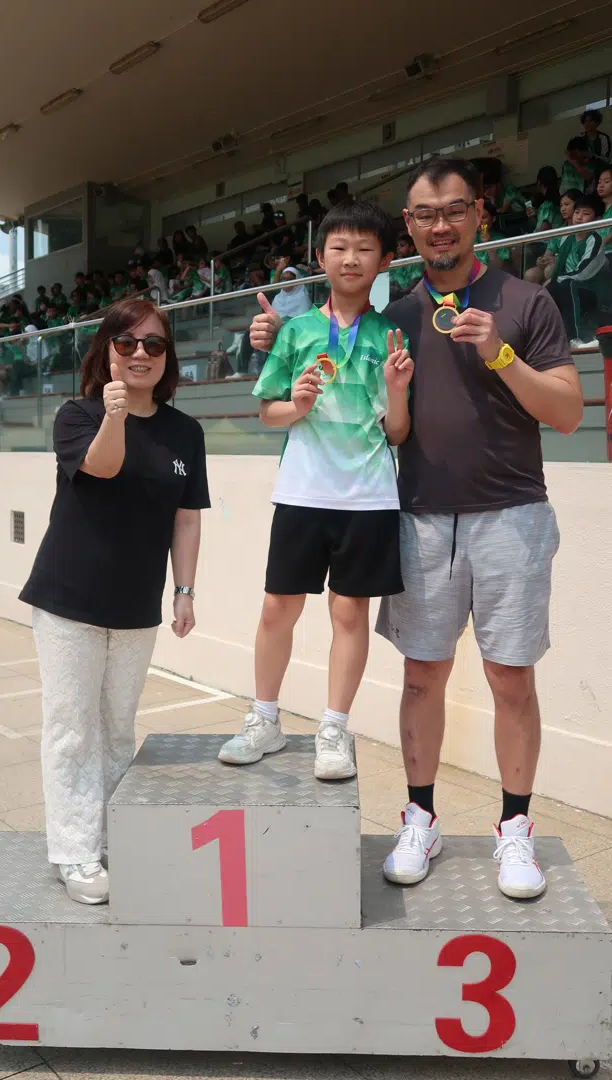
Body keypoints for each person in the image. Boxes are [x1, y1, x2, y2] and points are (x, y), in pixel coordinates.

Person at [250, 158, 583, 899]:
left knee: (511, 678)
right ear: (409, 227)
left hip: (513, 515)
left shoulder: (525, 301)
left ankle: (515, 828)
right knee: (422, 675)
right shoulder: (392, 318)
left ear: (479, 214)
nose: (441, 225)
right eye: (426, 214)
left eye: (454, 210)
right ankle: (420, 818)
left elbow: (567, 412)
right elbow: (329, 363)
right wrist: (271, 334)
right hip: (421, 516)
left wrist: (500, 353)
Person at [19, 299, 210, 905]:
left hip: (135, 605)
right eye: (126, 343)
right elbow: (102, 468)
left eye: (154, 344)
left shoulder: (186, 432)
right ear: (106, 351)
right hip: (68, 598)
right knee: (71, 729)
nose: (140, 354)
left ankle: (108, 837)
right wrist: (115, 414)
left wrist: (184, 591)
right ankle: (74, 852)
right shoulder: (77, 415)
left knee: (116, 729)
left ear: (168, 356)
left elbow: (186, 517)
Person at [218, 200, 412, 780]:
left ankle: (334, 728)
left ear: (384, 260)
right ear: (321, 258)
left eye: (365, 249)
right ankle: (265, 719)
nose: (351, 259)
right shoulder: (297, 331)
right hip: (302, 492)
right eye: (339, 248)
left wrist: (397, 390)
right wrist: (297, 405)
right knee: (278, 608)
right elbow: (268, 412)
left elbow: (397, 432)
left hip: (369, 497)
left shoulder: (392, 333)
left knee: (349, 614)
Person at [547, 192, 611, 345]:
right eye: (577, 212)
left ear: (597, 220)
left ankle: (576, 338)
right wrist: (552, 283)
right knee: (545, 291)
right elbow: (559, 268)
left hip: (592, 290)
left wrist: (559, 280)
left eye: (586, 214)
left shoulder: (595, 240)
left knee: (567, 285)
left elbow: (585, 272)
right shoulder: (567, 238)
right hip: (568, 284)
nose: (579, 217)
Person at [525, 188, 580, 284]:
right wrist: (542, 260)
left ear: (578, 205)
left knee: (550, 270)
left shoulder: (582, 229)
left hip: (571, 266)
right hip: (554, 264)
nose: (563, 208)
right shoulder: (559, 230)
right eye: (561, 205)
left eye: (567, 204)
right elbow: (549, 252)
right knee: (530, 274)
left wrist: (557, 260)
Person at [477, 202, 513, 272]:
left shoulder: (501, 240)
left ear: (493, 219)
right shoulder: (468, 238)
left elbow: (498, 268)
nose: (479, 221)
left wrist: (488, 243)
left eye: (483, 217)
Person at [389, 233, 423, 300]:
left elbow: (416, 281)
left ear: (411, 248)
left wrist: (404, 293)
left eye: (402, 245)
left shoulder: (418, 261)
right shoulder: (396, 263)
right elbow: (392, 281)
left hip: (414, 296)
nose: (398, 248)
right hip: (399, 297)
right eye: (398, 246)